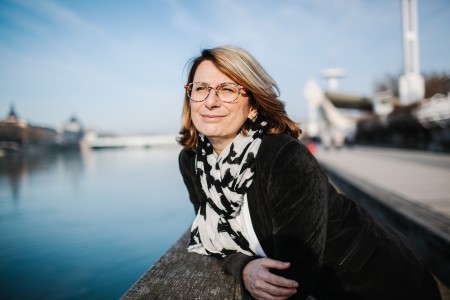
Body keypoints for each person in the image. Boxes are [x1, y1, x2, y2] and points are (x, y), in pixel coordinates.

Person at [177, 45, 441, 300]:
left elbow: (292, 278)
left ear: (254, 106)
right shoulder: (192, 162)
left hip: (380, 285)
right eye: (200, 88)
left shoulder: (281, 155)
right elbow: (211, 239)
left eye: (227, 90)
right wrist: (244, 267)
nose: (210, 101)